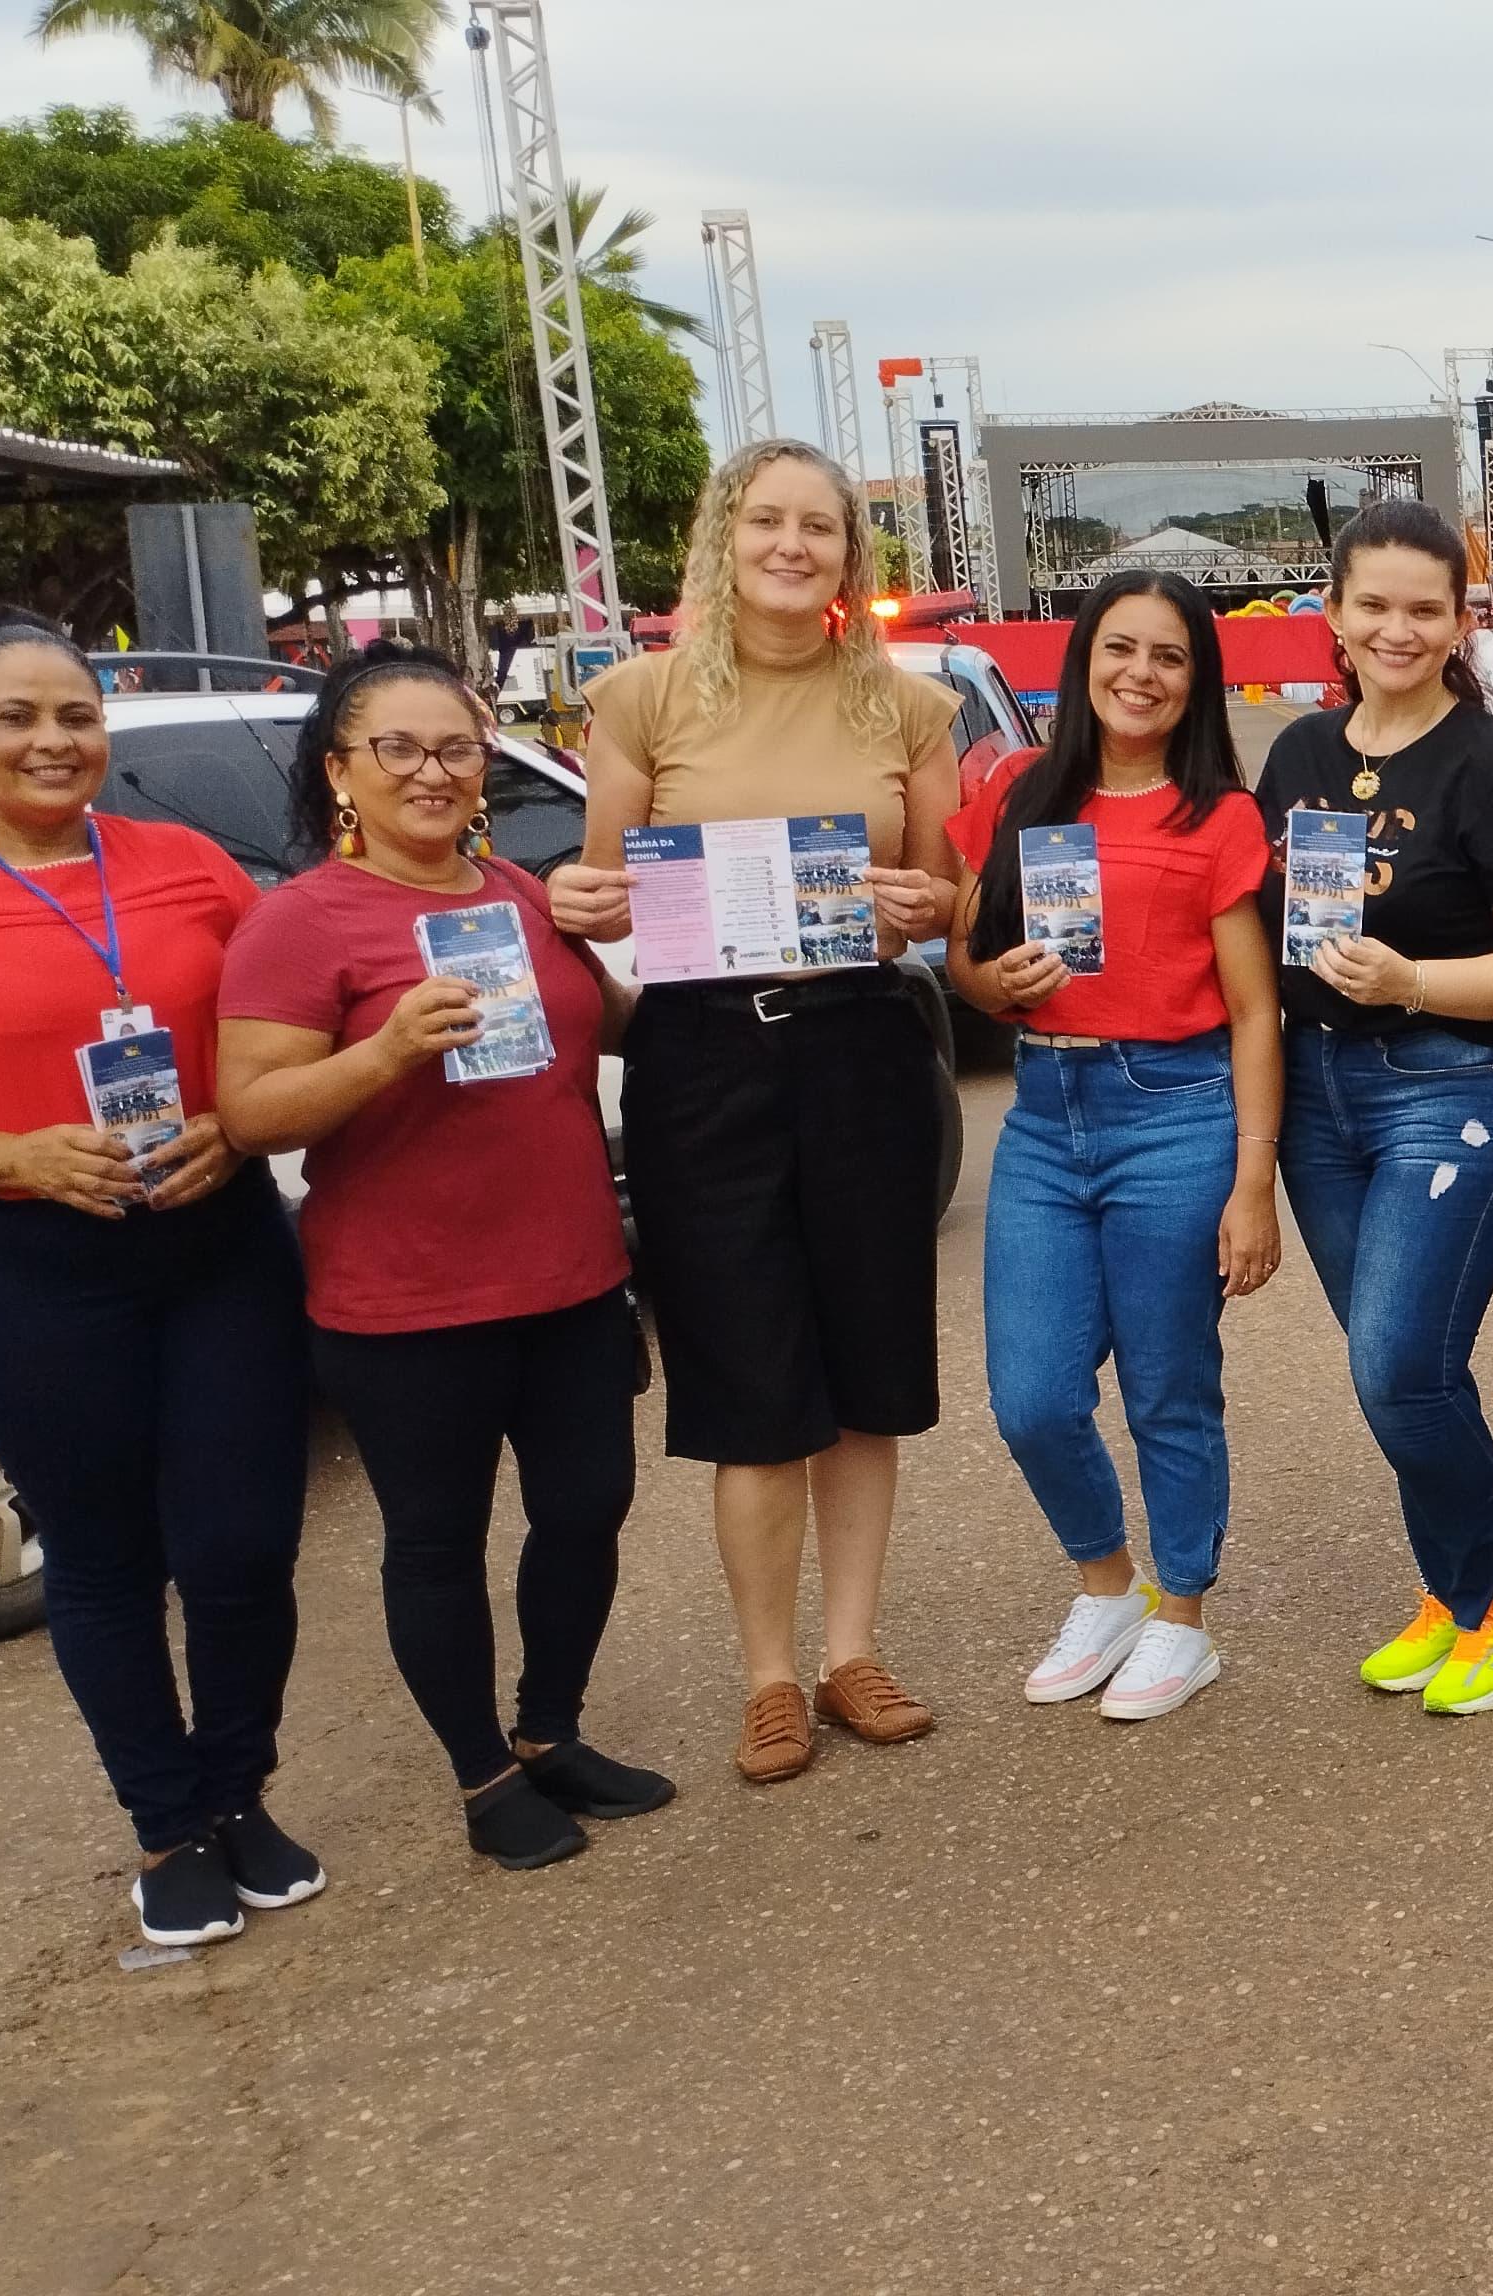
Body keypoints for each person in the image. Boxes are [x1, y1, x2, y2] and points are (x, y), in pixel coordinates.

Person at [0, 610, 312, 1948]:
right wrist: (6, 1152)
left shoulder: (190, 865)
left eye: (75, 715)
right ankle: (167, 1827)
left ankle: (240, 1792)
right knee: (103, 1556)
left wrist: (234, 1120)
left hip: (217, 1238)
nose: (51, 741)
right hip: (27, 1258)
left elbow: (272, 1029)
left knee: (244, 1543)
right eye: (16, 718)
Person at [546, 439, 971, 1784]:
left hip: (858, 1054)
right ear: (724, 538)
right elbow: (601, 884)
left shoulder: (907, 707)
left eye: (821, 529)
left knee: (863, 1377)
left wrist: (924, 905)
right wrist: (577, 898)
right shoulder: (643, 697)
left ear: (852, 554)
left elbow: (943, 892)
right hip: (703, 1067)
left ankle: (852, 1654)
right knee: (745, 1381)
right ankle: (769, 1679)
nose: (794, 547)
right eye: (768, 523)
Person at [219, 644, 670, 1871]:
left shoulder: (519, 894)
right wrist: (384, 1053)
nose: (432, 771)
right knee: (437, 1537)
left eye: (457, 747)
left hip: (572, 1276)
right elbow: (252, 1113)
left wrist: (697, 936)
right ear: (340, 774)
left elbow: (609, 1022)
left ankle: (550, 1730)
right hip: (407, 1300)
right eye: (399, 749)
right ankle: (481, 1774)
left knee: (587, 1509)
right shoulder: (298, 923)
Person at [1251, 496, 1493, 1718]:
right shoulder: (1295, 753)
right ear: (1332, 612)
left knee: (1401, 1365)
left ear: (1459, 621)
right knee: (1402, 1365)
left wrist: (1414, 979)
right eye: (1373, 604)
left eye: (1424, 608)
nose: (1397, 628)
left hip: (1459, 1087)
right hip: (1322, 1092)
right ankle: (1456, 1595)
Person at [945, 572, 1278, 1726]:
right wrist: (997, 980)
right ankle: (1108, 1585)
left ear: (1199, 681)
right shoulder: (1023, 792)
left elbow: (1253, 1014)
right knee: (1032, 1395)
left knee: (1167, 1388)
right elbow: (967, 962)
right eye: (1120, 649)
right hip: (1044, 1112)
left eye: (1170, 656)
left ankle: (1185, 1617)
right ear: (1084, 660)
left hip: (1174, 1110)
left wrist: (1252, 1186)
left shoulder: (1217, 818)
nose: (1141, 673)